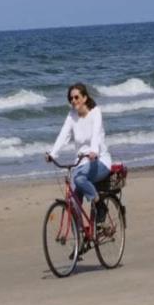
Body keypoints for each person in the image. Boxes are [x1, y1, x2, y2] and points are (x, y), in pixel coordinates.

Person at [46, 82, 112, 220]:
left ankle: (99, 204)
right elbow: (63, 135)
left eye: (76, 97)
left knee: (79, 179)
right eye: (71, 98)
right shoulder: (72, 115)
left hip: (100, 160)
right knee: (73, 200)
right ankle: (80, 231)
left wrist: (94, 151)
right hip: (81, 163)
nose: (73, 100)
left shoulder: (95, 112)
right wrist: (52, 154)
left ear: (85, 98)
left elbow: (96, 134)